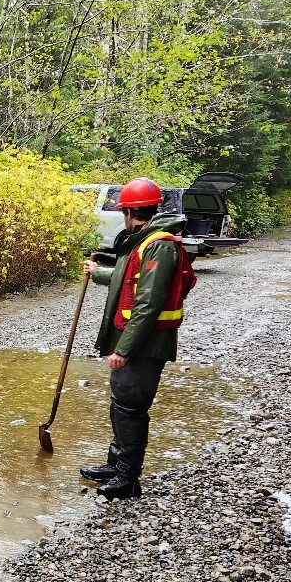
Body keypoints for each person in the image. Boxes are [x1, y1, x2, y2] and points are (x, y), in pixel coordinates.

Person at [81, 177, 194, 500]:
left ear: (131, 212)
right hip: (136, 341)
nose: (123, 218)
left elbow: (148, 303)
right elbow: (126, 279)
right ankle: (116, 464)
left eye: (124, 213)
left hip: (146, 345)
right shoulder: (144, 242)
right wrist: (98, 271)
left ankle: (128, 478)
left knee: (131, 408)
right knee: (121, 403)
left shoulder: (159, 245)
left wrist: (124, 349)